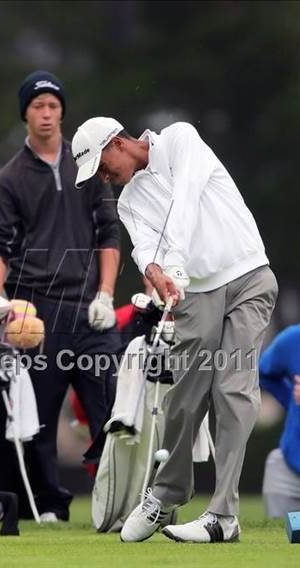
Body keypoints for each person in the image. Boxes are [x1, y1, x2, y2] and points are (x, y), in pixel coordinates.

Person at [71, 116, 278, 542]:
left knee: (232, 389)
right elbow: (144, 245)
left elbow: (185, 199)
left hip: (248, 277)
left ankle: (223, 516)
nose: (105, 178)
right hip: (196, 293)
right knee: (185, 395)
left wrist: (176, 259)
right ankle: (166, 495)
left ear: (116, 143)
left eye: (103, 166)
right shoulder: (127, 201)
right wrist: (156, 269)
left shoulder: (181, 139)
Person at [0, 73, 121, 522]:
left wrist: (106, 294)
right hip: (36, 315)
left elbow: (109, 232)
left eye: (53, 106)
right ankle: (48, 506)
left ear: (62, 112)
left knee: (111, 408)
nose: (46, 114)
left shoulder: (87, 166)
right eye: (37, 105)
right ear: (25, 112)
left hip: (90, 312)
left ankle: (119, 497)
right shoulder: (10, 179)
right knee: (37, 416)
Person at [259, 324, 300, 517]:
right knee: (283, 537)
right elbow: (263, 373)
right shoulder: (293, 339)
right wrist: (292, 403)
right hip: (291, 468)